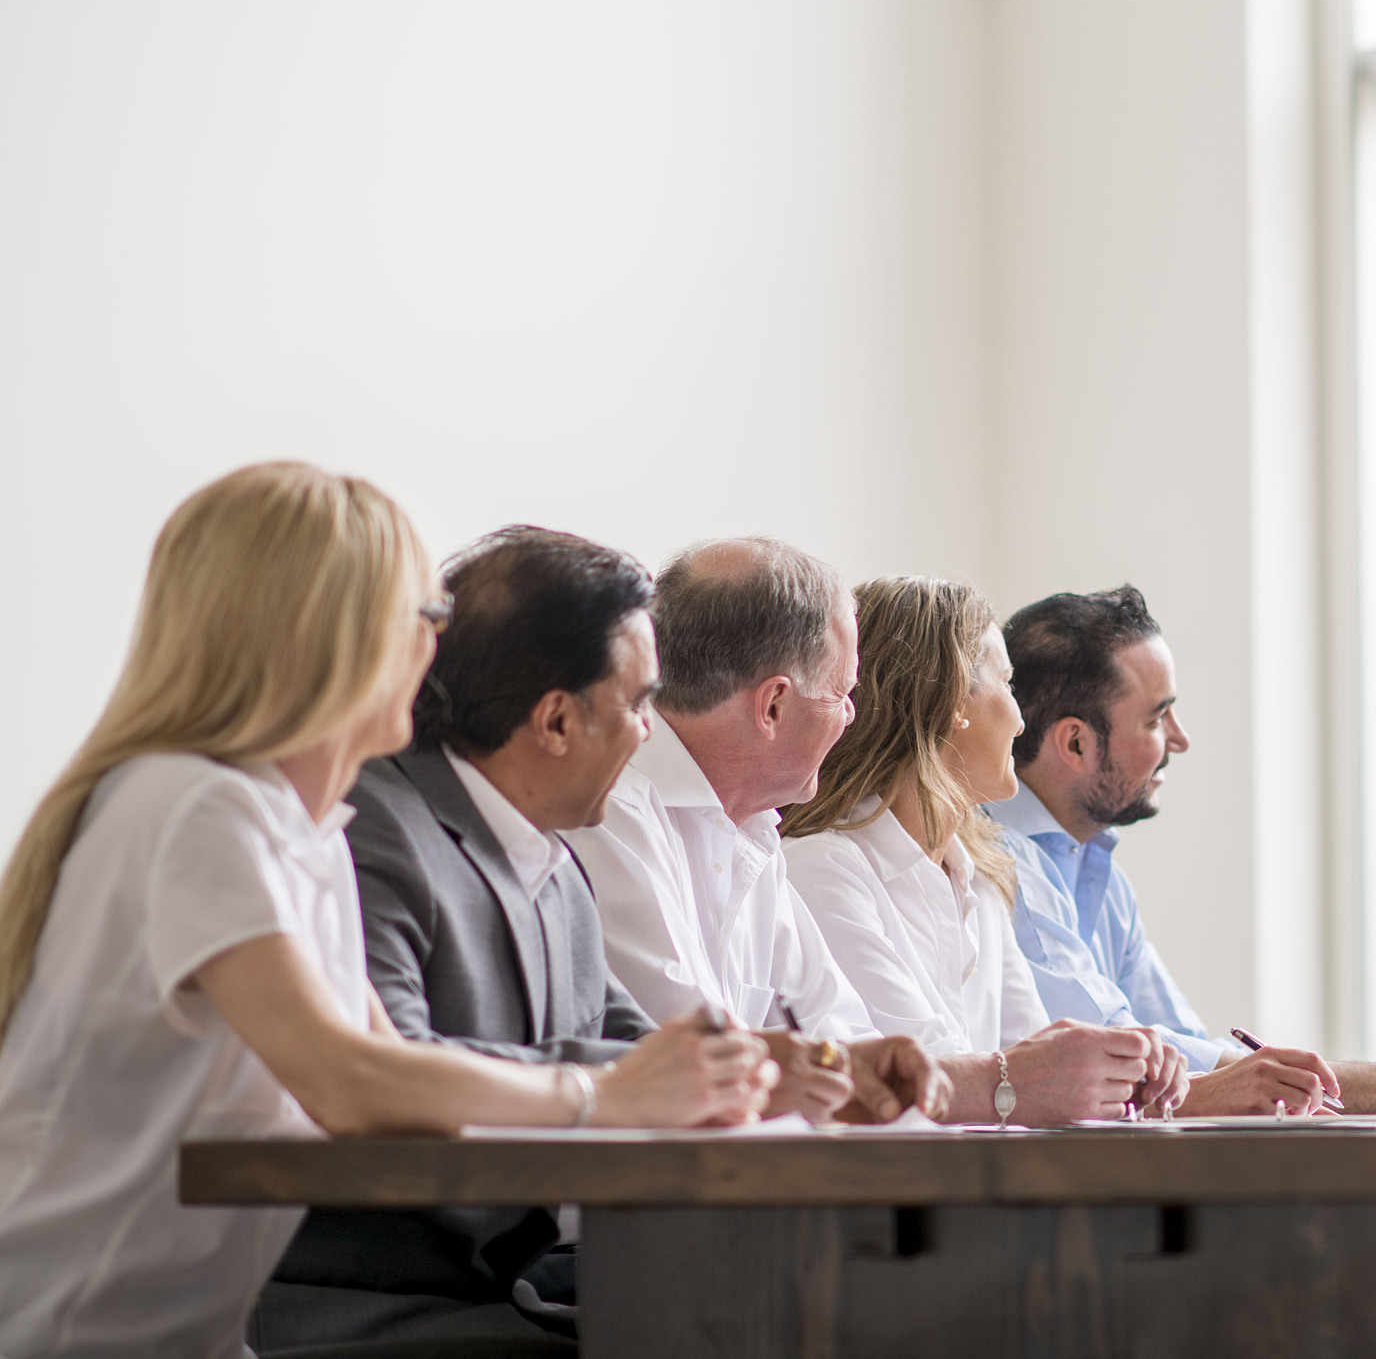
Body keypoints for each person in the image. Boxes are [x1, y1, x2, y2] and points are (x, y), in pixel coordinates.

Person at [0, 464, 774, 1359]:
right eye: (426, 616)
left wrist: (679, 1081)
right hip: (73, 1327)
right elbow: (346, 1082)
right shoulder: (196, 808)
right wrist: (599, 1093)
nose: (438, 649)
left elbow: (390, 1071)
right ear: (330, 633)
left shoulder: (307, 829)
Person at [254, 525, 785, 1349]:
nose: (650, 732)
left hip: (522, 1277)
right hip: (370, 1294)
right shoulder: (371, 828)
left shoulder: (556, 857)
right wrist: (637, 1084)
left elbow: (644, 1047)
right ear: (556, 719)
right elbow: (393, 1079)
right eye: (640, 702)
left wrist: (773, 1073)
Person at [992, 585, 1376, 1119]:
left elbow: (1188, 1051)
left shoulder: (1096, 871)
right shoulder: (1000, 866)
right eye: (1156, 718)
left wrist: (1295, 1084)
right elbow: (1124, 1061)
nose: (1180, 739)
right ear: (1076, 743)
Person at [567, 538, 945, 1123]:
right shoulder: (609, 807)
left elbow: (836, 1029)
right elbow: (698, 1062)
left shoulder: (756, 828)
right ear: (773, 706)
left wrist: (858, 1067)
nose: (850, 716)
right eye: (843, 694)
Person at [782, 576, 1186, 1125]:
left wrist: (1129, 1066)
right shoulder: (823, 869)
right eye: (1008, 684)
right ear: (952, 702)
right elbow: (927, 1076)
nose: (1022, 720)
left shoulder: (983, 876)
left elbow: (1034, 1067)